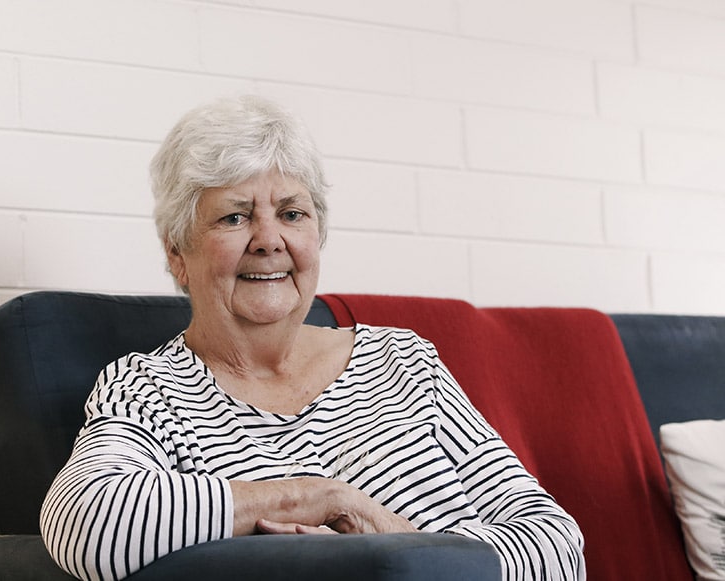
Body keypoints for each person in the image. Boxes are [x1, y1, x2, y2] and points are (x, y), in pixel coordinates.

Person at [39, 95, 585, 581]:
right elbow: (84, 522)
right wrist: (316, 496)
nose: (269, 241)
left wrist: (390, 536)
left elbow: (560, 547)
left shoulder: (403, 360)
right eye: (234, 217)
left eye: (292, 213)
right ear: (177, 253)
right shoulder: (147, 388)